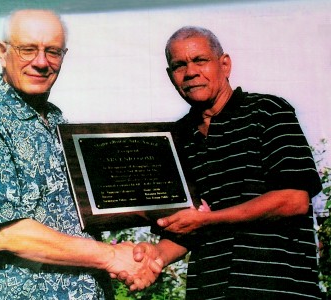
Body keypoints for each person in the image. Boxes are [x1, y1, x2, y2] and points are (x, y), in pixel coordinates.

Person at [0, 9, 160, 299]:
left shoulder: (58, 121)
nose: (42, 62)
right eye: (28, 49)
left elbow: (92, 211)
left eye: (53, 51)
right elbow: (6, 233)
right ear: (2, 51)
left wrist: (153, 233)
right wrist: (110, 256)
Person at [123, 26, 323, 299]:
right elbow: (185, 228)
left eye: (200, 60)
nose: (190, 71)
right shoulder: (176, 138)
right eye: (179, 65)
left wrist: (208, 221)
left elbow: (293, 199)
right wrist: (154, 256)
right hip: (209, 291)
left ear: (224, 64)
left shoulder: (269, 112)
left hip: (278, 289)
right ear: (171, 77)